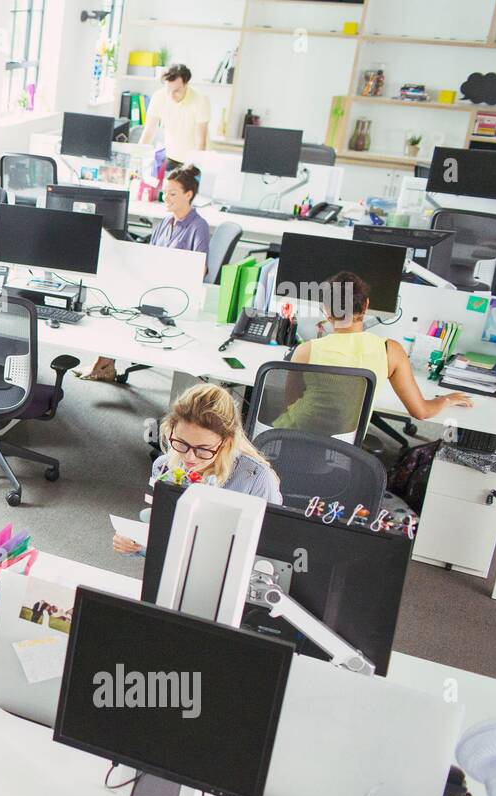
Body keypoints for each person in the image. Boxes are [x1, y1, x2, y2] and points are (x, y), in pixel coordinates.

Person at [272, 271, 473, 432]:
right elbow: (420, 412)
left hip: (292, 436)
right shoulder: (390, 351)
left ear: (326, 310)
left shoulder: (305, 351)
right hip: (344, 445)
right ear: (366, 305)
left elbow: (290, 403)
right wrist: (445, 400)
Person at [113, 383, 281, 554]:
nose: (189, 457)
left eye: (202, 449)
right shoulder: (164, 467)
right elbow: (167, 535)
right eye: (181, 443)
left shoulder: (257, 479)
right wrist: (137, 545)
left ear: (227, 442)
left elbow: (270, 547)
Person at [84, 165, 210, 381]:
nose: (166, 198)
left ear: (188, 195)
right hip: (154, 286)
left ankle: (105, 364)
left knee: (122, 304)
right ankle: (106, 362)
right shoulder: (164, 223)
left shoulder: (199, 226)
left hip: (176, 294)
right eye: (165, 192)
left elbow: (201, 269)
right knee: (114, 301)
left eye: (173, 193)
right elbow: (150, 256)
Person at [139, 63, 210, 168]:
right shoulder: (159, 97)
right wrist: (137, 157)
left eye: (176, 91)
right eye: (168, 90)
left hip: (192, 160)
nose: (171, 96)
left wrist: (196, 167)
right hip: (170, 156)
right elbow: (149, 130)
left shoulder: (200, 100)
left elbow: (201, 140)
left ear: (186, 84)